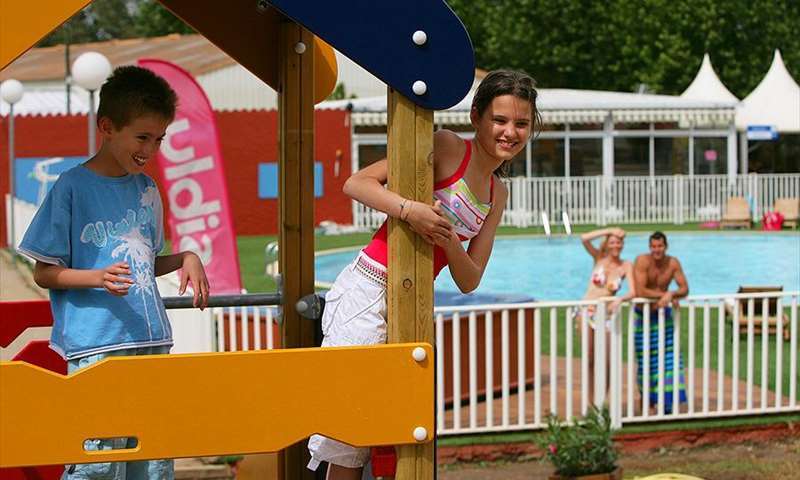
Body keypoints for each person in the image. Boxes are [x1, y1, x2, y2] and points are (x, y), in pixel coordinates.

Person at [307, 70, 541, 479]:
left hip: (413, 299)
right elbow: (356, 184)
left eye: (521, 124)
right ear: (476, 116)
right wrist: (409, 210)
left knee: (383, 427)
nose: (510, 132)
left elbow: (470, 279)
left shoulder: (497, 193)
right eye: (500, 120)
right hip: (370, 285)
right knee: (347, 430)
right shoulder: (449, 147)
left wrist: (449, 240)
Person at [18, 65, 210, 480]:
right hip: (96, 348)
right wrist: (96, 277)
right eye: (143, 137)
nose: (151, 149)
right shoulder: (70, 187)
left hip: (151, 345)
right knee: (98, 464)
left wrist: (186, 257)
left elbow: (143, 265)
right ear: (107, 127)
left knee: (152, 461)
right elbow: (45, 272)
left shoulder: (148, 190)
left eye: (159, 139)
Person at [633, 231, 689, 414]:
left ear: (666, 246)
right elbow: (641, 291)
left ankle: (667, 404)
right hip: (643, 316)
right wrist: (665, 295)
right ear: (650, 247)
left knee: (670, 360)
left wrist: (672, 294)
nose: (656, 250)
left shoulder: (672, 263)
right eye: (653, 246)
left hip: (664, 315)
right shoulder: (642, 261)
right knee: (646, 362)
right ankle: (647, 403)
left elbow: (685, 288)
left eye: (660, 246)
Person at [578, 227, 636, 400]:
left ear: (622, 245)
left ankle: (601, 399)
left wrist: (620, 299)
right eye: (612, 242)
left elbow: (633, 292)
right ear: (607, 244)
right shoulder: (599, 258)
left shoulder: (626, 265)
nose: (616, 245)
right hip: (586, 311)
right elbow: (584, 237)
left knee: (608, 360)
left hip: (606, 315)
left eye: (618, 242)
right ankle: (590, 401)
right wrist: (610, 230)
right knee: (589, 359)